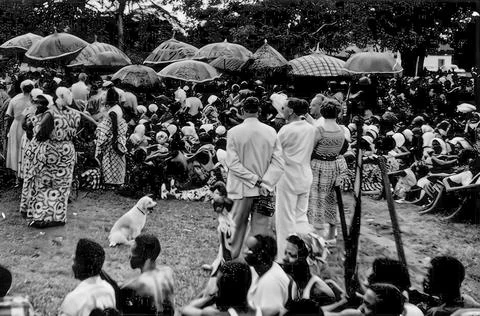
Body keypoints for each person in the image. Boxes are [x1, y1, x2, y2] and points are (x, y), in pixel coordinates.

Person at [225, 97, 284, 259]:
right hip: (264, 189)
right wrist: (265, 182)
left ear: (242, 111)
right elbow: (279, 163)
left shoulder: (233, 132)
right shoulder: (270, 131)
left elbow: (232, 163)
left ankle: (230, 261)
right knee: (260, 230)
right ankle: (257, 264)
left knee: (235, 228)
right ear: (259, 112)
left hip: (240, 189)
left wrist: (253, 179)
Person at [24, 87, 80, 228]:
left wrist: (33, 126)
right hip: (67, 152)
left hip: (52, 152)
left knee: (45, 185)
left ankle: (42, 217)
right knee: (62, 187)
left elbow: (41, 134)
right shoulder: (75, 113)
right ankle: (58, 217)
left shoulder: (50, 114)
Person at [275, 98, 316, 261]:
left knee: (284, 219)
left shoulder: (287, 130)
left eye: (284, 107)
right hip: (305, 174)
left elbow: (275, 152)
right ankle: (304, 252)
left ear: (291, 111)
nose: (282, 110)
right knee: (301, 217)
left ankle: (283, 256)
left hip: (288, 175)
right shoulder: (311, 128)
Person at [308, 99, 346, 241]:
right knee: (330, 199)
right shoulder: (341, 129)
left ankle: (317, 237)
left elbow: (310, 149)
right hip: (333, 166)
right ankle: (331, 235)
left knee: (316, 199)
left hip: (318, 165)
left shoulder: (320, 129)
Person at [120, 234, 175, 316]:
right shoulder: (168, 272)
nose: (130, 256)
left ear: (144, 257)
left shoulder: (131, 286)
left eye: (133, 252)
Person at [60, 239, 116, 316]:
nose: (73, 257)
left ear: (79, 265)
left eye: (75, 257)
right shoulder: (109, 290)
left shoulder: (73, 299)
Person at [245, 234, 296, 316]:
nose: (245, 251)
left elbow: (270, 313)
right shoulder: (260, 269)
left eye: (251, 250)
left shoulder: (270, 281)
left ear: (261, 256)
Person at [181, 261, 254, 316]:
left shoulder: (214, 314)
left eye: (218, 286)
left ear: (227, 292)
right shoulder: (258, 309)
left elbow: (185, 309)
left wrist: (208, 298)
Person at [282, 235, 336, 306]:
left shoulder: (319, 264)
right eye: (286, 253)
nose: (285, 258)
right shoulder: (288, 270)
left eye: (292, 254)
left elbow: (327, 283)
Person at [95, 88, 128, 188]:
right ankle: (118, 180)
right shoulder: (118, 108)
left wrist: (114, 140)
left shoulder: (113, 112)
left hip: (112, 138)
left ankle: (111, 181)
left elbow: (114, 127)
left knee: (110, 161)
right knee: (117, 161)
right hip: (116, 137)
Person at [5, 80, 34, 184]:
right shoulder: (34, 100)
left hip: (16, 125)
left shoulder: (14, 99)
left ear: (22, 88)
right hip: (30, 126)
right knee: (29, 148)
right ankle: (28, 174)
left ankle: (17, 177)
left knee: (16, 149)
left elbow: (8, 115)